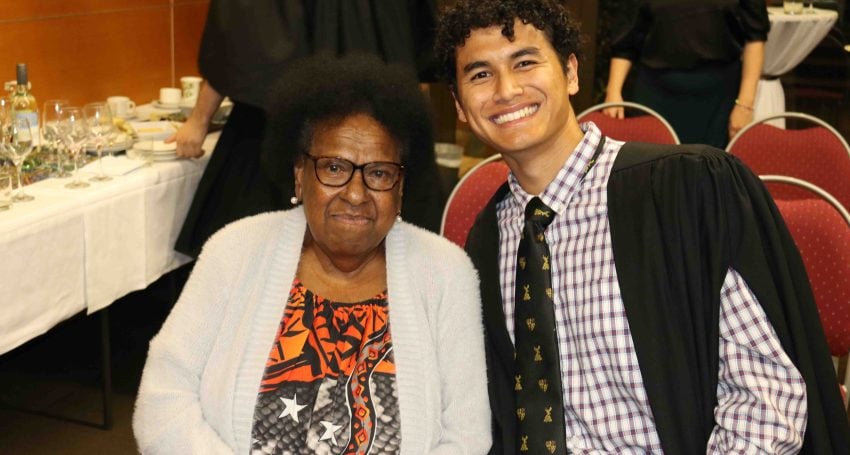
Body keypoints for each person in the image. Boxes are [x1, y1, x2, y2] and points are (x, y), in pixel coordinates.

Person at [434, 0, 850, 453]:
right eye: (480, 75)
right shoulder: (487, 240)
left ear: (571, 73)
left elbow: (765, 405)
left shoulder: (687, 192)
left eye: (526, 62)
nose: (506, 89)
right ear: (459, 106)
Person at [133, 54, 491, 454]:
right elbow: (163, 400)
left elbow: (466, 436)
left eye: (378, 173)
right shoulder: (234, 251)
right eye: (334, 168)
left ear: (401, 186)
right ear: (301, 176)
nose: (356, 194)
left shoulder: (445, 273)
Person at [170, 0, 443, 258]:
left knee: (263, 267)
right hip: (379, 129)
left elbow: (240, 46)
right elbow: (416, 44)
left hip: (286, 132)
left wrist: (199, 119)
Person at [603, 0, 769, 148]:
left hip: (719, 100)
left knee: (711, 174)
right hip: (656, 95)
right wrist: (613, 91)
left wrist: (745, 104)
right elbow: (625, 42)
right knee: (653, 172)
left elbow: (755, 37)